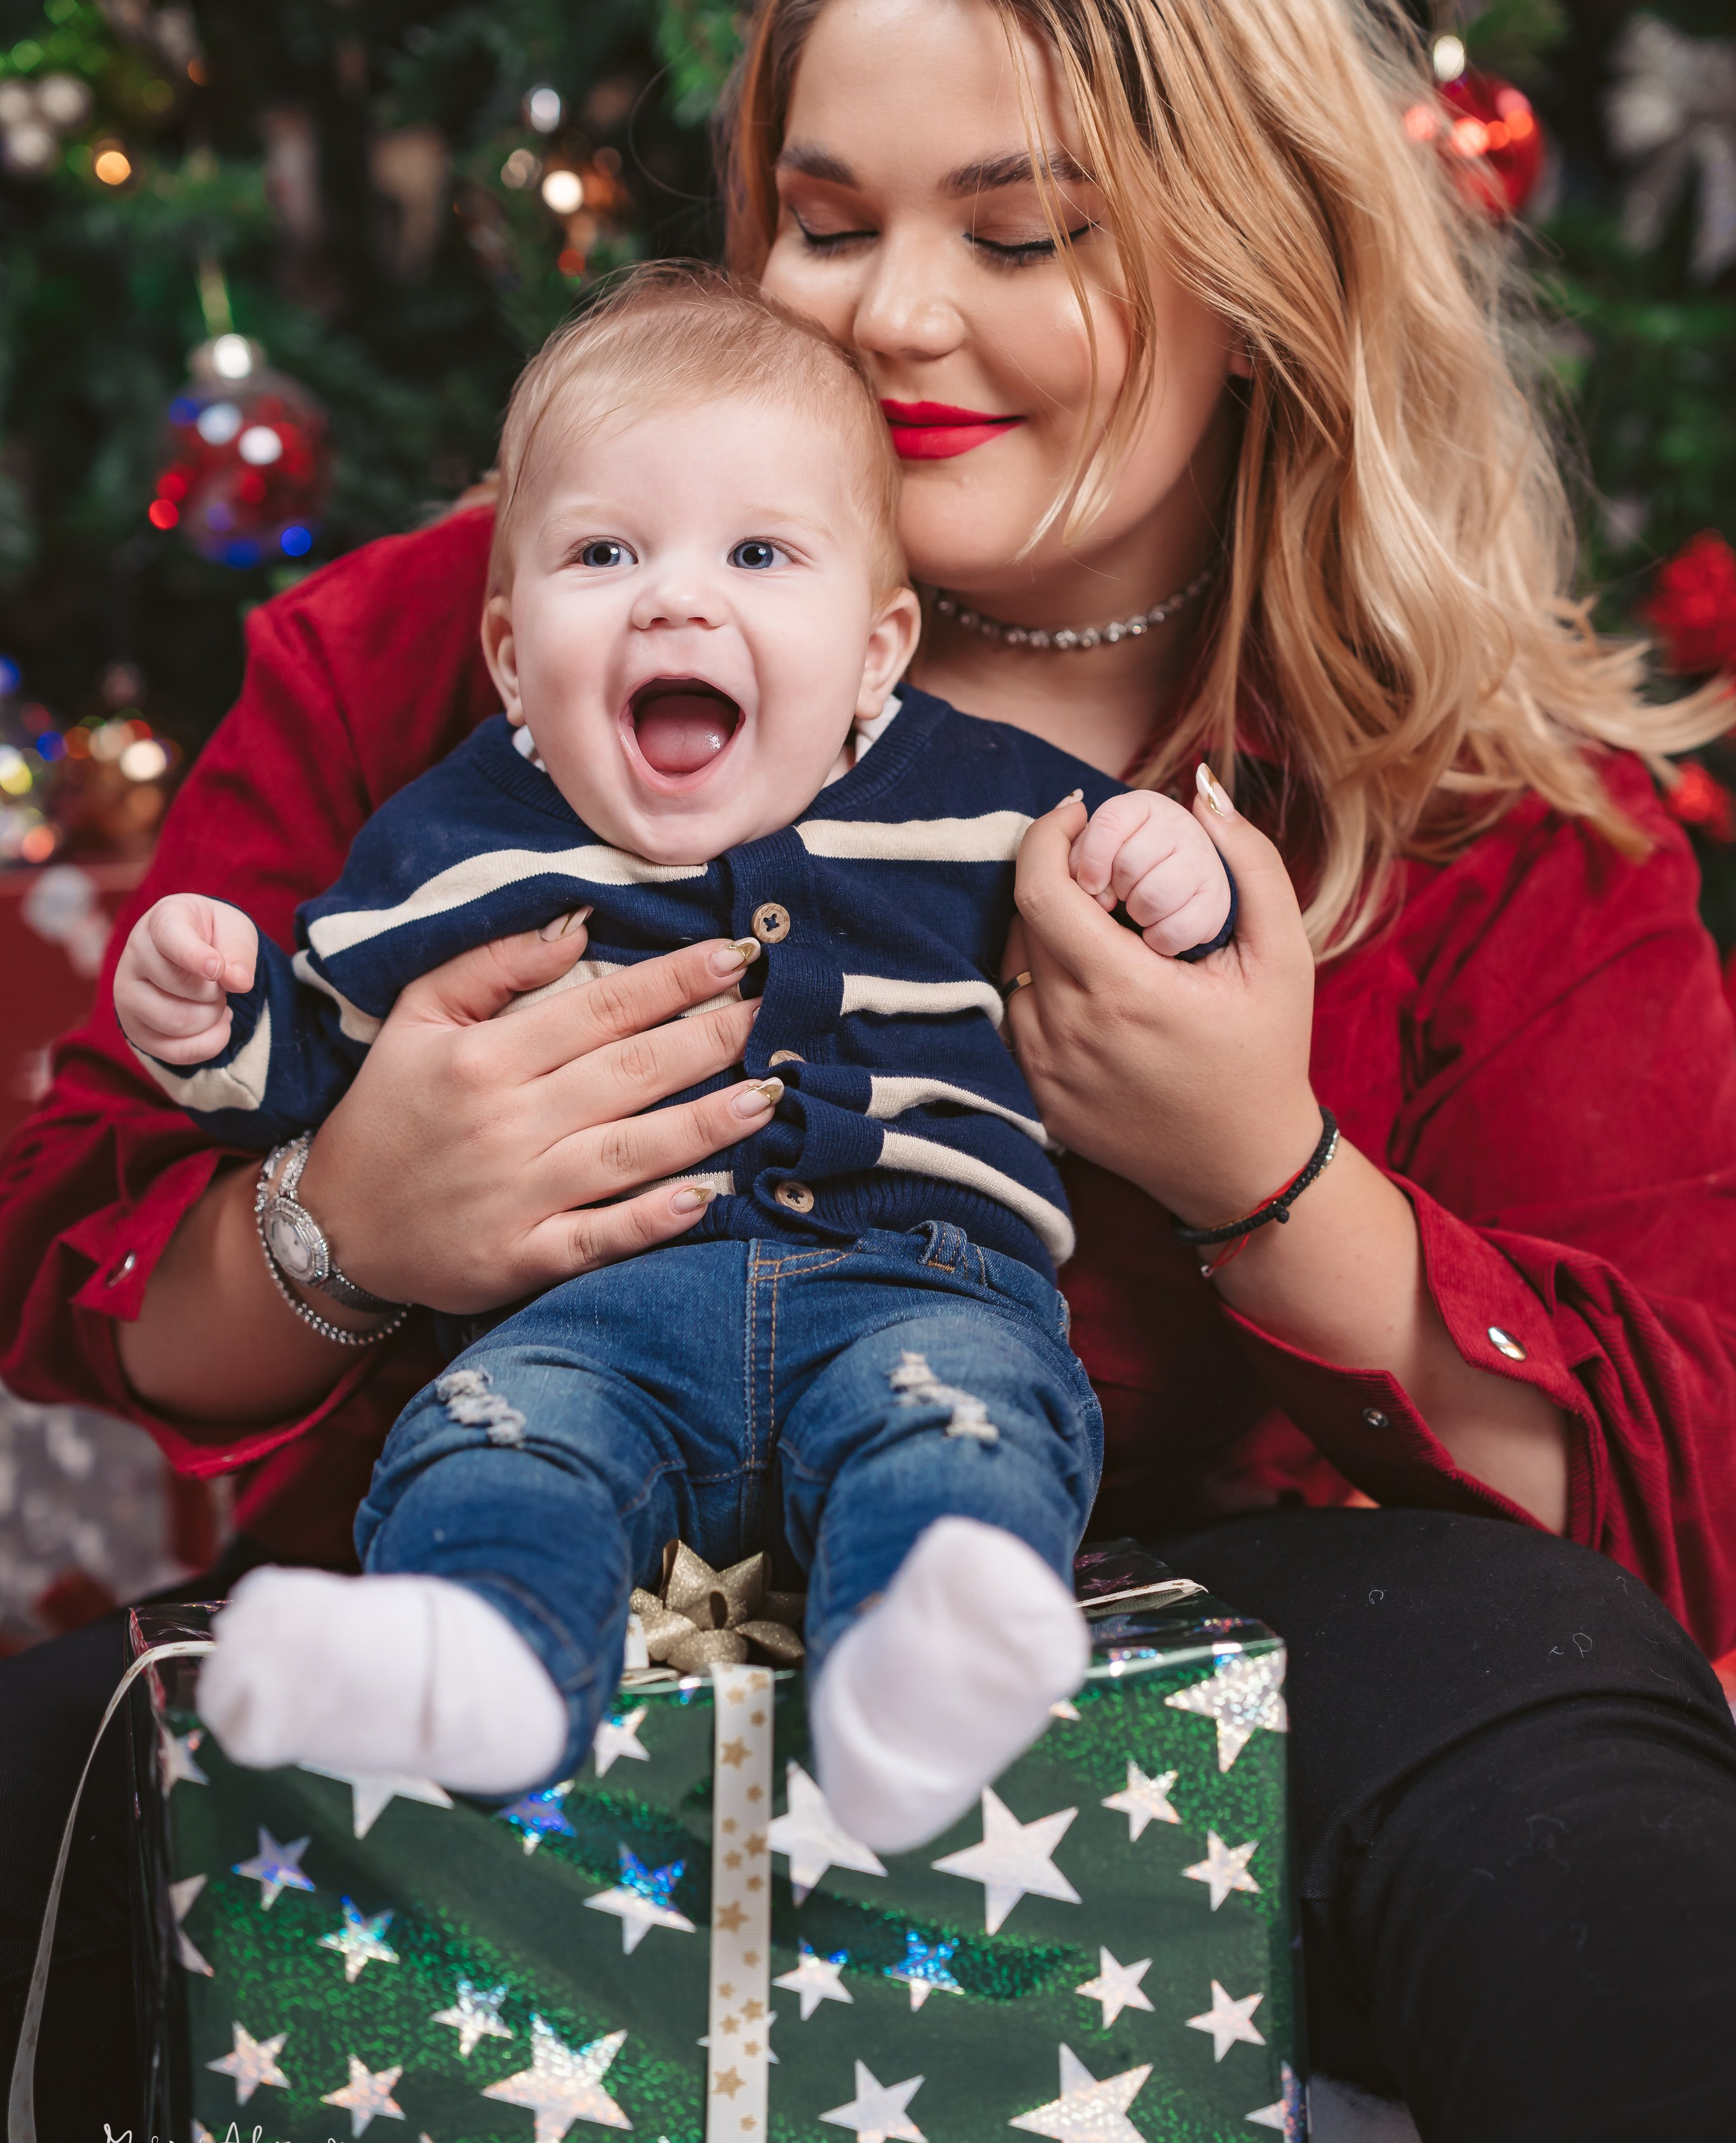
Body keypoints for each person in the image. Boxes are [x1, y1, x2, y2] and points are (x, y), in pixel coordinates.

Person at [2, 0, 1734, 2143]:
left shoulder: (1471, 810)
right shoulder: (467, 630)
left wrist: (1271, 1178)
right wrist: (342, 1213)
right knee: (48, 1788)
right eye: (826, 223)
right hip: (529, 1581)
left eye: (1019, 237)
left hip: (1178, 1663)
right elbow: (94, 1272)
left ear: (1262, 265)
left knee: (1562, 1778)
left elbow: (1674, 1496)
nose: (893, 317)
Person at [109, 263, 1234, 1845]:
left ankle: (929, 1665)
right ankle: (480, 1657)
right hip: (586, 1321)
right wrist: (217, 1019)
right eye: (602, 554)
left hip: (916, 1280)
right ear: (510, 659)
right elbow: (317, 1065)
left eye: (760, 555)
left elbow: (1133, 895)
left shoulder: (975, 800)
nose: (676, 600)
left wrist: (1174, 875)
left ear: (872, 652)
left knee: (964, 1418)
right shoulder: (454, 848)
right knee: (498, 1443)